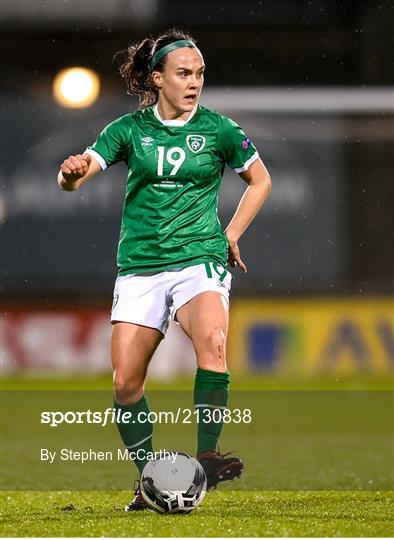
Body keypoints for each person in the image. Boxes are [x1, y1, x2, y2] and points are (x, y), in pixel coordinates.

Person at [57, 28, 271, 511]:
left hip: (199, 257)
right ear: (157, 78)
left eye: (199, 74)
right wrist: (69, 176)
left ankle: (207, 456)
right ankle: (155, 479)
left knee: (213, 344)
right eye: (183, 74)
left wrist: (231, 233)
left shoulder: (220, 129)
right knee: (125, 384)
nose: (194, 82)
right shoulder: (128, 130)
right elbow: (79, 173)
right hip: (141, 266)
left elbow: (260, 180)